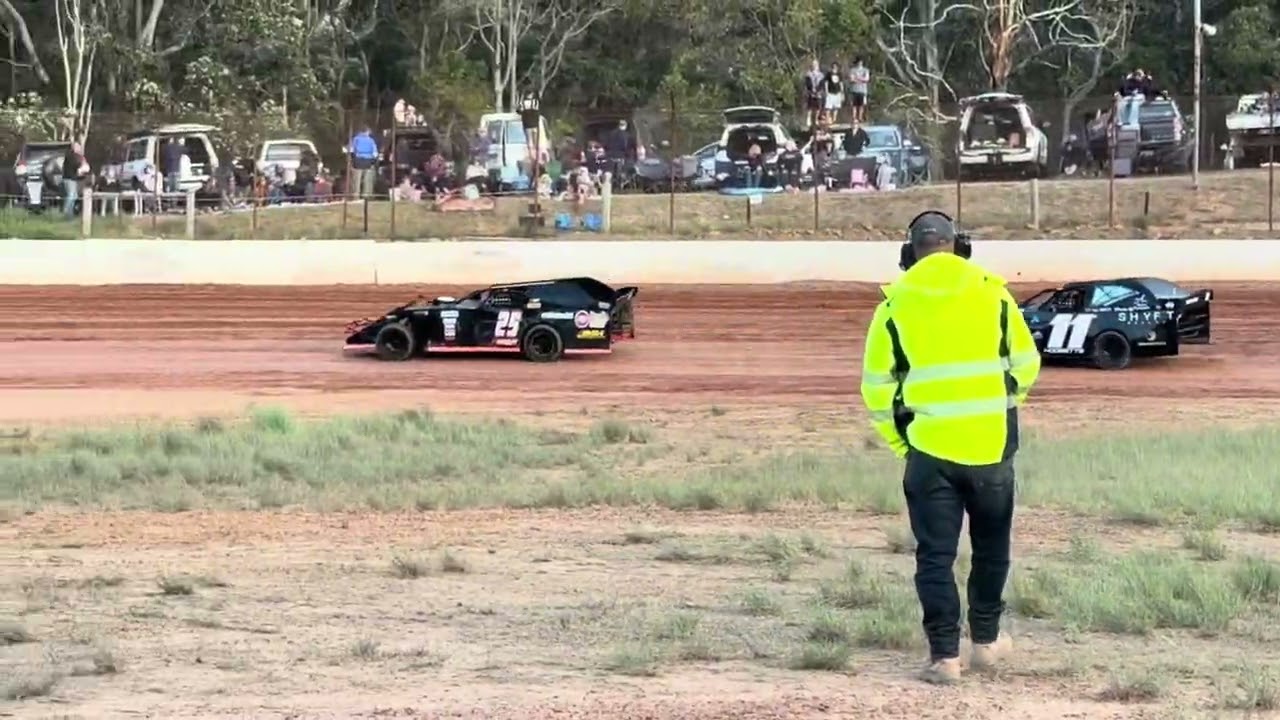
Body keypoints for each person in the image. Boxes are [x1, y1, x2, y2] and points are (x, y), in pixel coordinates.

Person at [859, 211, 1041, 685]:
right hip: (991, 446)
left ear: (908, 253)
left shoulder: (893, 306)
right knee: (992, 546)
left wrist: (905, 444)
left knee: (935, 556)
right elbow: (1026, 364)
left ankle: (944, 658)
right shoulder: (993, 293)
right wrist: (998, 407)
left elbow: (877, 389)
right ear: (959, 246)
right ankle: (986, 643)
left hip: (929, 452)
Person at [347, 126, 378, 198]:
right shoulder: (371, 140)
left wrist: (352, 159)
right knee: (368, 180)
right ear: (367, 132)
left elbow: (351, 150)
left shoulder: (355, 139)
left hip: (358, 161)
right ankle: (367, 196)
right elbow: (375, 153)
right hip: (368, 162)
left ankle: (356, 196)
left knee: (356, 180)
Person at [61, 141, 89, 219]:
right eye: (78, 147)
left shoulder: (72, 156)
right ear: (74, 148)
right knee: (71, 195)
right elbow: (78, 165)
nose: (79, 148)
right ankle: (66, 211)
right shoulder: (72, 156)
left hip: (71, 178)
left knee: (74, 195)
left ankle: (70, 213)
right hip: (69, 179)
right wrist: (83, 166)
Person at [803, 59, 825, 129]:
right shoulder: (808, 74)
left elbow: (822, 84)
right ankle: (808, 119)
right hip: (811, 93)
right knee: (810, 107)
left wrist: (818, 90)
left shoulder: (821, 75)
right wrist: (811, 89)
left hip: (818, 93)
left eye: (816, 65)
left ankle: (816, 120)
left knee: (818, 107)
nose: (815, 66)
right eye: (813, 65)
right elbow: (807, 83)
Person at [848, 57, 870, 123]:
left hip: (862, 90)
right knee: (854, 105)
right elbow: (851, 79)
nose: (860, 63)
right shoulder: (852, 70)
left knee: (861, 105)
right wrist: (861, 79)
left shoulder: (865, 70)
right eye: (859, 62)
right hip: (854, 90)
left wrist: (857, 78)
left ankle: (860, 117)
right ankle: (854, 117)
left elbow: (866, 79)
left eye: (861, 62)